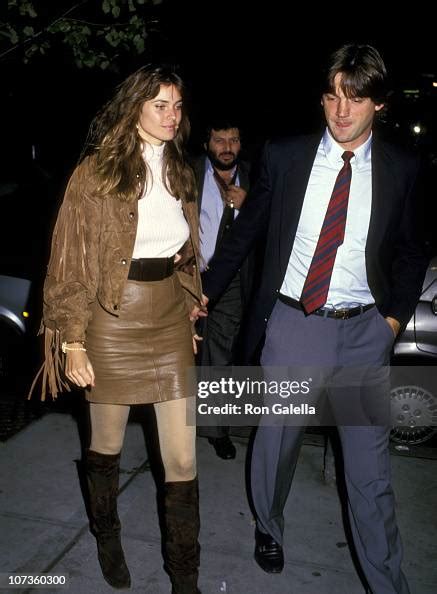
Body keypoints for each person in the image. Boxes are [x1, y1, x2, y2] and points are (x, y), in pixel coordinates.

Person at [199, 44, 428, 593]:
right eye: (332, 97)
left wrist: (392, 322)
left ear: (380, 104)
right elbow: (246, 234)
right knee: (277, 443)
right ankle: (269, 525)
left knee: (369, 473)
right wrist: (202, 294)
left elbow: (410, 251)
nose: (341, 111)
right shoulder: (286, 156)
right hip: (295, 324)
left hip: (363, 332)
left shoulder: (403, 168)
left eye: (356, 98)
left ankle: (386, 582)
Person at [37, 65, 203, 594]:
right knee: (105, 445)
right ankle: (107, 535)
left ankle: (186, 579)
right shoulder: (94, 174)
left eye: (177, 106)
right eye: (160, 105)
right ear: (134, 106)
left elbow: (187, 248)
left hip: (169, 317)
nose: (171, 116)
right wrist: (72, 340)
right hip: (110, 320)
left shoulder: (180, 168)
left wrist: (192, 300)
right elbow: (67, 262)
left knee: (181, 457)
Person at [192, 119, 252, 459]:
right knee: (178, 352)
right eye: (219, 139)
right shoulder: (187, 172)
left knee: (220, 355)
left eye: (233, 139)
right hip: (187, 277)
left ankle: (215, 429)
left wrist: (250, 206)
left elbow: (274, 224)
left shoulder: (256, 178)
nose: (226, 146)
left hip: (230, 283)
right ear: (207, 143)